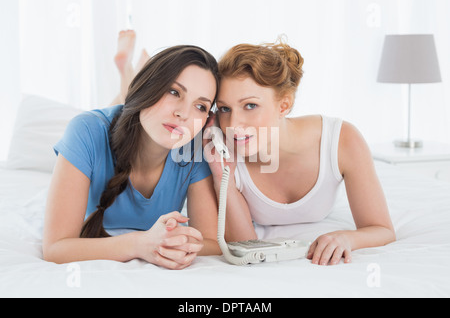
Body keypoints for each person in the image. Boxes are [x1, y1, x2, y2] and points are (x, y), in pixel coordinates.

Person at [205, 40, 396, 266]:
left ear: (284, 106)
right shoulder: (223, 149)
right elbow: (244, 245)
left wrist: (346, 237)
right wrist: (222, 176)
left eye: (250, 105)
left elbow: (382, 229)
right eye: (225, 108)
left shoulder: (342, 140)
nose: (234, 123)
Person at [43, 30, 221, 270]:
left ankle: (130, 72)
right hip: (114, 122)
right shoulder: (85, 130)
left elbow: (211, 242)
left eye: (200, 106)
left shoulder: (193, 148)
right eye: (173, 92)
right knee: (119, 116)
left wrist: (174, 243)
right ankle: (126, 73)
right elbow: (55, 249)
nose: (184, 114)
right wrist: (140, 244)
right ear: (150, 85)